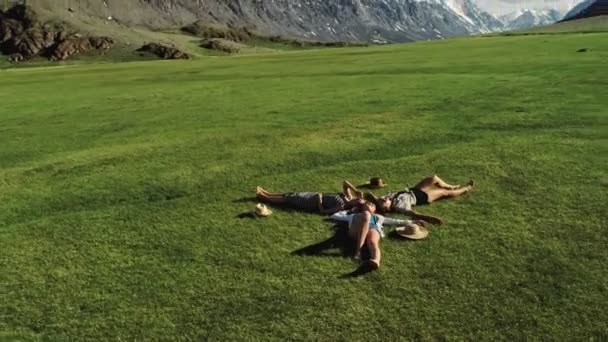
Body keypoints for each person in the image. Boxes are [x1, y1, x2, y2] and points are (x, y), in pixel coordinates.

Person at [331, 202, 429, 270]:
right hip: (356, 233)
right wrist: (349, 210)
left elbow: (395, 221)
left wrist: (413, 221)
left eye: (372, 204)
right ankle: (358, 250)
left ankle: (375, 260)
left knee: (373, 241)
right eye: (367, 203)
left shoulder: (378, 217)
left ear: (375, 210)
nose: (370, 204)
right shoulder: (354, 216)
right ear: (362, 207)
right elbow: (335, 215)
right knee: (366, 215)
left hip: (372, 229)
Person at [366, 175, 474, 224]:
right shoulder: (400, 207)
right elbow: (414, 214)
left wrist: (377, 201)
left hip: (414, 190)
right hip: (422, 197)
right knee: (444, 193)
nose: (383, 198)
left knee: (434, 178)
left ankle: (450, 185)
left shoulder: (386, 200)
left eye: (381, 198)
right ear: (387, 209)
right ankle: (466, 189)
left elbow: (369, 195)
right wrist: (430, 218)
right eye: (383, 201)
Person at [256, 180, 365, 215]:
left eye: (359, 200)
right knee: (290, 195)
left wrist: (320, 200)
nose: (358, 198)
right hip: (313, 195)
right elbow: (345, 183)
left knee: (290, 198)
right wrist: (355, 190)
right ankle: (267, 194)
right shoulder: (348, 196)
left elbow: (323, 212)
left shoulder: (342, 206)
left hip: (311, 202)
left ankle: (264, 197)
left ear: (356, 205)